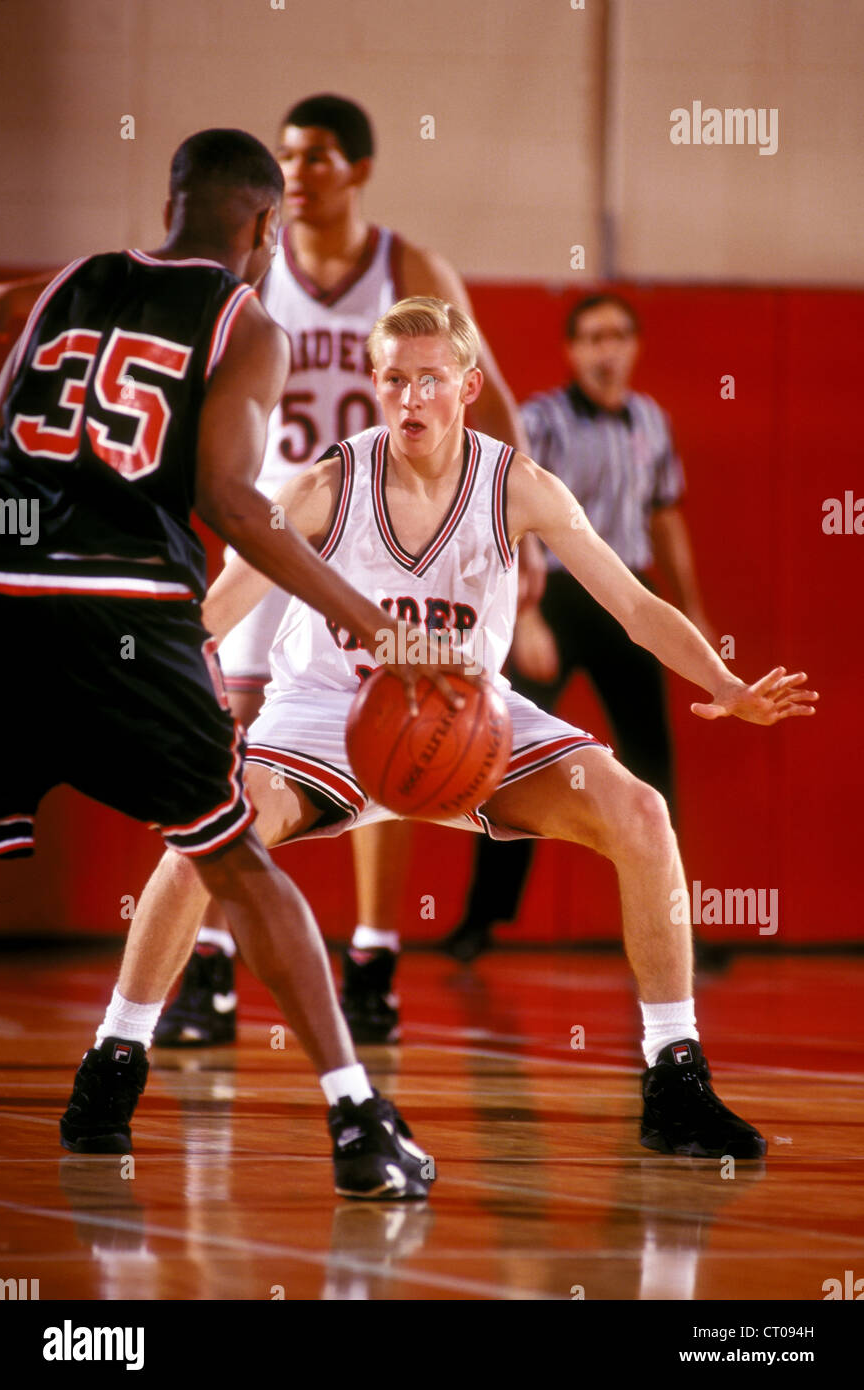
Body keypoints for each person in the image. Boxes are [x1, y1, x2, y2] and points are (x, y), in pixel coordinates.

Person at [110, 296, 818, 1161]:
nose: (411, 399)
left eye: (431, 381)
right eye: (394, 381)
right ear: (373, 387)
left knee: (640, 814)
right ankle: (115, 1058)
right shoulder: (326, 485)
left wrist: (725, 681)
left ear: (468, 386)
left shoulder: (518, 484)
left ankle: (675, 1077)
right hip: (328, 716)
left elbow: (632, 606)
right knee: (202, 835)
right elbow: (216, 613)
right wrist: (141, 678)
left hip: (466, 718)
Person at [0, 130, 453, 1199]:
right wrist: (376, 626)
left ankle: (110, 1084)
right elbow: (233, 504)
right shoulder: (245, 320)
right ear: (263, 227)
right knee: (231, 856)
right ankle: (356, 1120)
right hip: (125, 612)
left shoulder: (59, 285)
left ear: (173, 202)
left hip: (5, 601)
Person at [148, 93, 540, 1048]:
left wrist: (517, 556)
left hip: (382, 522)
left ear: (359, 168)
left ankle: (372, 957)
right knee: (226, 742)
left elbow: (493, 405)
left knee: (408, 730)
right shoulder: (249, 264)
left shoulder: (407, 268)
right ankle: (211, 969)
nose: (298, 171)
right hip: (271, 519)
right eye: (286, 156)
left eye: (317, 156)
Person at [444, 292, 717, 960]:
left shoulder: (650, 421)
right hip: (557, 595)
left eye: (618, 336)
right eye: (592, 338)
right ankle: (480, 923)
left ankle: (677, 926)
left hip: (628, 596)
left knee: (651, 766)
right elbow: (505, 513)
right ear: (572, 351)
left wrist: (694, 610)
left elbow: (667, 515)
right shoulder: (538, 419)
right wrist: (528, 613)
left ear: (633, 347)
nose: (606, 349)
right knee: (505, 756)